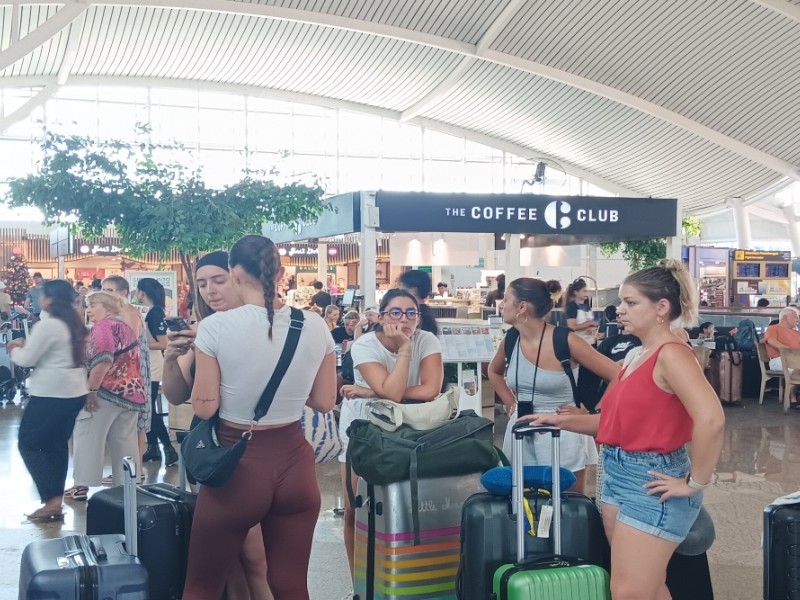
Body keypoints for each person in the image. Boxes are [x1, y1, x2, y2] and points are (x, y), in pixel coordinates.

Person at [521, 259, 725, 600]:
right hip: (617, 474)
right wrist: (561, 420)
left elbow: (712, 419)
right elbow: (617, 424)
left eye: (631, 303)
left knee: (628, 591)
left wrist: (695, 483)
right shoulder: (638, 355)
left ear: (661, 307)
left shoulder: (672, 355)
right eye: (622, 301)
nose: (621, 310)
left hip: (650, 479)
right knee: (646, 586)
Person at [183, 235, 336, 600]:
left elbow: (204, 406)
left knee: (202, 585)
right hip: (295, 463)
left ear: (234, 274)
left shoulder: (216, 328)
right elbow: (325, 400)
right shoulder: (315, 325)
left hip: (238, 464)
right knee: (290, 585)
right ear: (280, 273)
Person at [162, 250, 272, 600]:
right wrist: (170, 357)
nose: (210, 290)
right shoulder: (206, 330)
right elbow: (175, 394)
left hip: (251, 449)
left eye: (219, 280)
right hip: (209, 452)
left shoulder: (264, 327)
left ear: (238, 278)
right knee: (231, 561)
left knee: (256, 559)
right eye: (202, 283)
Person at [338, 288, 444, 578]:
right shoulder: (365, 345)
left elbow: (430, 389)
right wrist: (402, 354)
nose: (404, 319)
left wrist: (373, 391)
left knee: (401, 507)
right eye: (395, 312)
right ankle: (359, 583)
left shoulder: (427, 340)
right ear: (382, 317)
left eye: (411, 313)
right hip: (363, 430)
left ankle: (395, 579)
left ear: (419, 317)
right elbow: (396, 392)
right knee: (355, 510)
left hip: (408, 429)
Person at [488, 278, 619, 493]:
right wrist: (512, 403)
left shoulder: (565, 340)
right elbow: (494, 372)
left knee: (566, 507)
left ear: (522, 307)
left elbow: (617, 375)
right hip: (522, 430)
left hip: (563, 432)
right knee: (525, 506)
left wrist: (593, 413)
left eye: (506, 299)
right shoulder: (511, 339)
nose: (501, 304)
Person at [10, 280, 88, 521]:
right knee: (56, 445)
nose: (38, 298)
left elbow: (27, 359)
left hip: (51, 394)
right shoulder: (73, 323)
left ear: (50, 298)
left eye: (42, 294)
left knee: (29, 443)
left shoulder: (50, 325)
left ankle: (52, 501)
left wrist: (15, 347)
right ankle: (54, 501)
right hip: (74, 391)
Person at [65, 292, 147, 500]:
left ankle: (81, 484)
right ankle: (128, 485)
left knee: (86, 435)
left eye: (93, 305)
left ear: (108, 308)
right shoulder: (126, 328)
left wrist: (91, 390)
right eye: (88, 306)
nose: (88, 310)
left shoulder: (103, 327)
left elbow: (103, 359)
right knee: (125, 442)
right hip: (132, 392)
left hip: (106, 391)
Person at [102, 275, 151, 481]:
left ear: (123, 293)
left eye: (110, 290)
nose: (105, 294)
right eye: (104, 290)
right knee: (126, 426)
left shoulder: (129, 313)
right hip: (125, 374)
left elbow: (126, 345)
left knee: (135, 425)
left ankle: (135, 471)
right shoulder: (116, 314)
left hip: (134, 373)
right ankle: (127, 471)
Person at [136, 278, 178, 467]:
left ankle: (167, 447)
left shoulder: (154, 314)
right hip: (149, 364)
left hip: (152, 367)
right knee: (148, 408)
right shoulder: (154, 311)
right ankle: (153, 448)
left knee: (149, 409)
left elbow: (163, 343)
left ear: (142, 292)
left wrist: (140, 343)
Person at [398, 269, 438, 334]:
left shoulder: (417, 316)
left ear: (413, 291)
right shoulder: (427, 313)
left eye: (402, 287)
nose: (399, 292)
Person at [763, 307, 800, 371]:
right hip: (779, 359)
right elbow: (771, 341)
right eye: (795, 317)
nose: (798, 320)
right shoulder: (773, 328)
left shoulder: (797, 333)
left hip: (795, 359)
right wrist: (791, 351)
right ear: (785, 317)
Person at [565, 277, 598, 344]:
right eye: (584, 291)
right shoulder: (572, 307)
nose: (586, 293)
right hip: (578, 342)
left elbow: (592, 322)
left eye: (587, 291)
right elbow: (572, 327)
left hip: (591, 341)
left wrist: (593, 329)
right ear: (575, 292)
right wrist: (588, 324)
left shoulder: (587, 306)